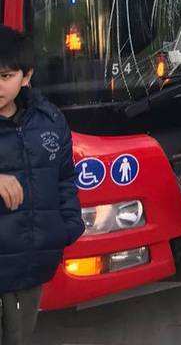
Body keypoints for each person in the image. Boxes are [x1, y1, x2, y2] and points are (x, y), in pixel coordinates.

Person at [0, 26, 84, 344]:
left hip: (32, 260)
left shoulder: (49, 121)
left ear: (26, 76)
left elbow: (64, 178)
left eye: (5, 76)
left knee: (19, 336)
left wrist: (68, 227)